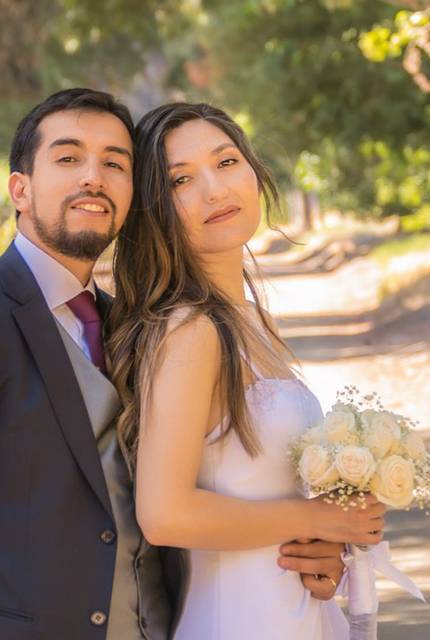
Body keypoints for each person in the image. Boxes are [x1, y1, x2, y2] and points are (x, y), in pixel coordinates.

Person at [0, 89, 344, 640]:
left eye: (114, 162)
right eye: (68, 158)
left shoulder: (130, 324)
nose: (94, 177)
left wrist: (301, 550)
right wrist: (12, 583)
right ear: (20, 189)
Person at [106, 102, 386, 639]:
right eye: (181, 179)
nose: (214, 190)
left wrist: (324, 550)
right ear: (153, 208)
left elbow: (261, 492)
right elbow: (165, 514)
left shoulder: (249, 319)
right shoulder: (190, 329)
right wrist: (318, 521)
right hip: (236, 619)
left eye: (227, 162)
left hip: (293, 610)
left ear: (254, 171)